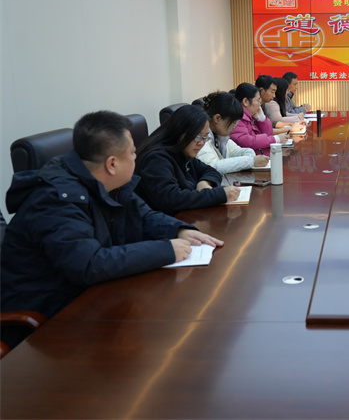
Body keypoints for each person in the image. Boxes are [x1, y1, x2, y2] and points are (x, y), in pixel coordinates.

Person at [1, 111, 223, 346]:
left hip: (89, 299)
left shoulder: (105, 182)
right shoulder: (56, 200)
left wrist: (179, 230)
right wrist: (166, 250)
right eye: (132, 153)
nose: (137, 157)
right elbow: (89, 264)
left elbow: (144, 216)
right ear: (112, 164)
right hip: (47, 325)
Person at [135, 105, 240, 215]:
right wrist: (219, 195)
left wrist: (204, 182)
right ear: (179, 132)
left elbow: (211, 171)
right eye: (197, 137)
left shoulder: (183, 150)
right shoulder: (156, 159)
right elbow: (171, 199)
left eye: (205, 137)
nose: (201, 143)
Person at [196, 91, 270, 174]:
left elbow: (239, 151)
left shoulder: (219, 135)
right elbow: (213, 166)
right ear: (217, 118)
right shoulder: (201, 137)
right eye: (233, 123)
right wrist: (251, 161)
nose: (234, 128)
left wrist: (250, 158)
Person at [230, 82, 290, 153]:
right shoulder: (237, 118)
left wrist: (262, 119)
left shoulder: (251, 116)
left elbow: (268, 133)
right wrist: (275, 139)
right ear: (246, 102)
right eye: (258, 100)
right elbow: (248, 142)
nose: (259, 105)